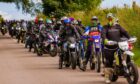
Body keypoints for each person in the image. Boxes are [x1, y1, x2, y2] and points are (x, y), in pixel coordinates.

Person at [102, 13, 130, 84]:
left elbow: (125, 32)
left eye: (111, 18)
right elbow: (103, 34)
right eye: (109, 18)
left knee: (126, 55)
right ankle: (107, 77)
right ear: (107, 19)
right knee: (109, 62)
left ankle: (125, 68)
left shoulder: (118, 26)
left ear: (114, 18)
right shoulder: (105, 27)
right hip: (109, 47)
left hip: (119, 45)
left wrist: (129, 37)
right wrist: (105, 40)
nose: (110, 19)